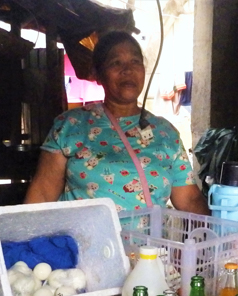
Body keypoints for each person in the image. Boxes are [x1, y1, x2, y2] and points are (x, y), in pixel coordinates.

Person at [24, 31, 210, 215]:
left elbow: (189, 198)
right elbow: (42, 194)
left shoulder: (166, 133)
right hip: (85, 243)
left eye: (135, 61)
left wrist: (222, 234)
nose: (127, 70)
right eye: (115, 63)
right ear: (97, 74)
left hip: (149, 245)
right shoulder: (70, 125)